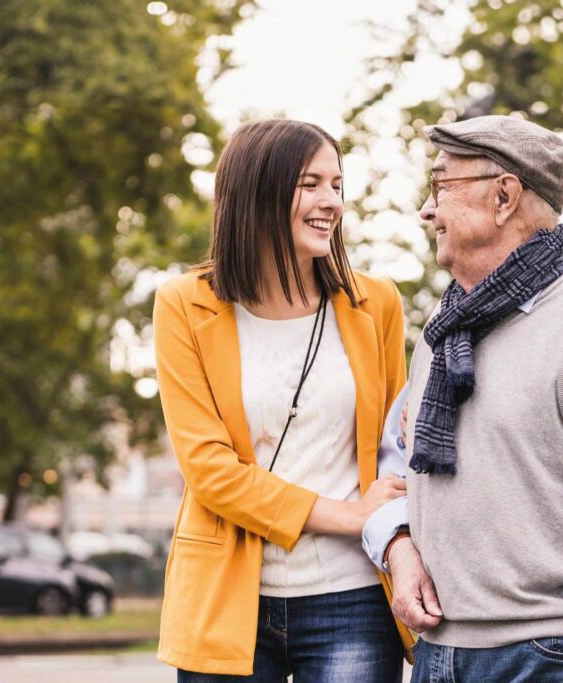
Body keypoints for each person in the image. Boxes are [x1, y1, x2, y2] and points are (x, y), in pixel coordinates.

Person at [363, 115, 563, 683]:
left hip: (553, 657)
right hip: (439, 655)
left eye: (441, 187)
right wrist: (398, 545)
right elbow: (395, 469)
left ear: (504, 196)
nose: (426, 211)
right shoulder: (442, 329)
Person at [153, 119, 410, 681]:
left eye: (337, 185)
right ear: (256, 191)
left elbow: (396, 449)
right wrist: (347, 515)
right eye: (309, 184)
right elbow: (209, 471)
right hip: (227, 599)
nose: (331, 202)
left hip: (353, 599)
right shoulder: (184, 305)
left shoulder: (378, 305)